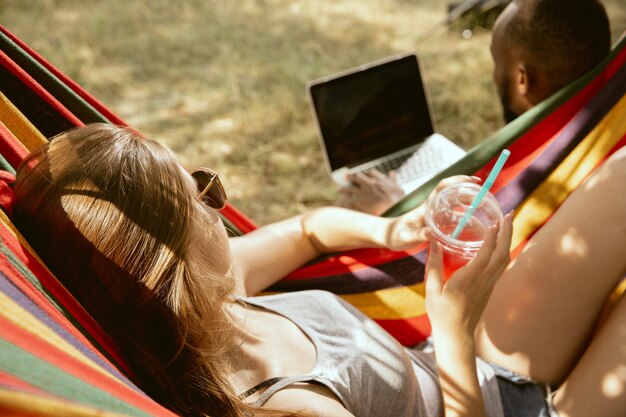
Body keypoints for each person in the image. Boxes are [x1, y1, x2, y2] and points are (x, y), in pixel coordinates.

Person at [12, 123, 626, 417]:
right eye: (197, 198)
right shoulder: (289, 410)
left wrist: (390, 229)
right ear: (163, 265)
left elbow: (308, 231)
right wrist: (456, 329)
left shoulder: (205, 302)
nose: (213, 202)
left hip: (469, 370)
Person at [337, 0, 612, 215]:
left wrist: (396, 208)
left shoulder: (542, 168)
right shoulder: (607, 126)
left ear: (522, 79)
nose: (493, 74)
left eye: (496, 60)